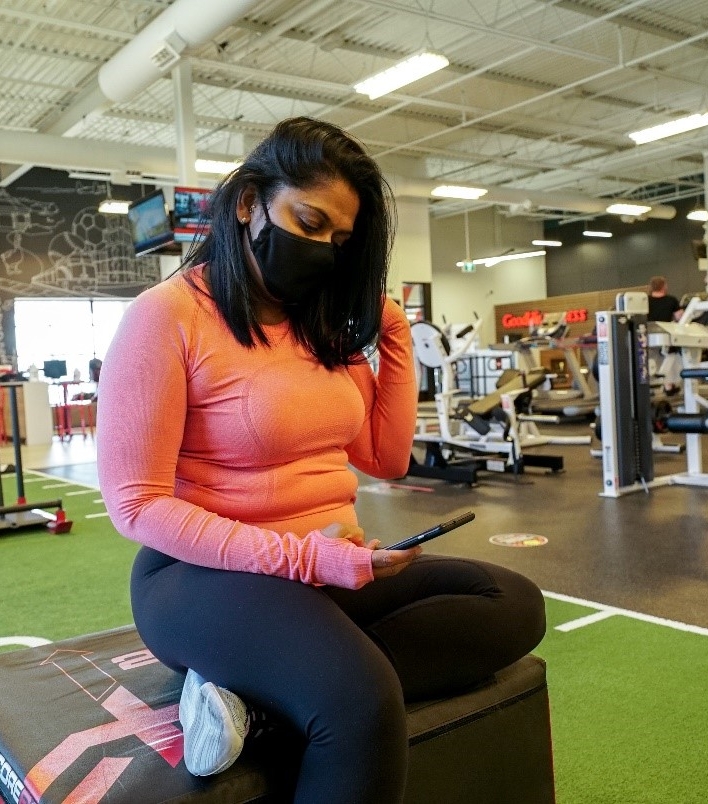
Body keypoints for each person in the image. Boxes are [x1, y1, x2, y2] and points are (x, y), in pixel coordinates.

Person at [97, 116, 546, 803]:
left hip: (327, 566)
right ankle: (313, 691)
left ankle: (258, 708)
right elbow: (137, 504)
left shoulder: (318, 327)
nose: (321, 250)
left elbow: (386, 458)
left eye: (339, 240)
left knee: (511, 604)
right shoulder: (167, 316)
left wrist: (393, 331)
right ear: (249, 203)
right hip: (199, 578)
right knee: (361, 703)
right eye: (308, 223)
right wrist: (306, 559)